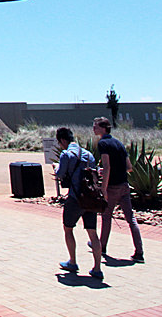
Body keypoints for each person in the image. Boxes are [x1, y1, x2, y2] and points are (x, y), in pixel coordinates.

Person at [93, 116, 144, 262]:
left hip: (112, 186)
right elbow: (129, 167)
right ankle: (139, 251)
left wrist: (103, 188)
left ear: (103, 128)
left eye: (96, 126)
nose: (94, 129)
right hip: (124, 185)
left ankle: (102, 247)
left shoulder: (103, 143)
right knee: (131, 219)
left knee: (106, 217)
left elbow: (107, 166)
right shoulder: (119, 143)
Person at [55, 127, 103, 279]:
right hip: (90, 198)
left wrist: (56, 169)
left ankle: (73, 261)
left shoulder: (66, 154)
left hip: (75, 197)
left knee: (68, 228)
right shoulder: (88, 155)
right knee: (92, 233)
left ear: (63, 140)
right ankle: (97, 268)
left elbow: (61, 174)